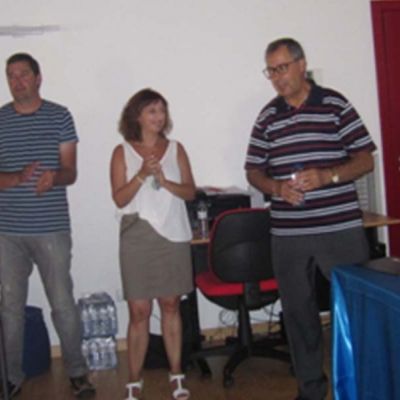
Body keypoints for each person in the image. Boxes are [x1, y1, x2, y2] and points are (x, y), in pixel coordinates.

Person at [245, 38, 376, 400]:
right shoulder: (267, 116)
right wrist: (275, 187)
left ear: (302, 65)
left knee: (354, 308)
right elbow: (253, 170)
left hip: (339, 229)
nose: (276, 77)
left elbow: (366, 159)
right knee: (298, 316)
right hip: (289, 234)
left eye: (282, 68)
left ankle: (363, 385)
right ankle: (311, 390)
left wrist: (327, 176)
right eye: (270, 71)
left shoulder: (334, 104)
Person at [0, 53, 95, 399]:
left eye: (23, 74)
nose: (17, 81)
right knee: (9, 308)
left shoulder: (60, 115)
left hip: (51, 227)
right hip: (7, 232)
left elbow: (71, 172)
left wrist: (54, 176)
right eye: (11, 75)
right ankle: (10, 378)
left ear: (38, 78)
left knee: (62, 303)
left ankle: (78, 373)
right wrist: (16, 178)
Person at [110, 88, 195, 400]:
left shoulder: (175, 148)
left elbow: (190, 192)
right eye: (152, 111)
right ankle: (134, 379)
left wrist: (166, 182)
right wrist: (142, 174)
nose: (159, 117)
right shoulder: (121, 152)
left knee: (171, 304)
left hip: (172, 233)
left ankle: (177, 374)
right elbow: (119, 199)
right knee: (139, 311)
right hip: (137, 235)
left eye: (162, 110)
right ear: (137, 116)